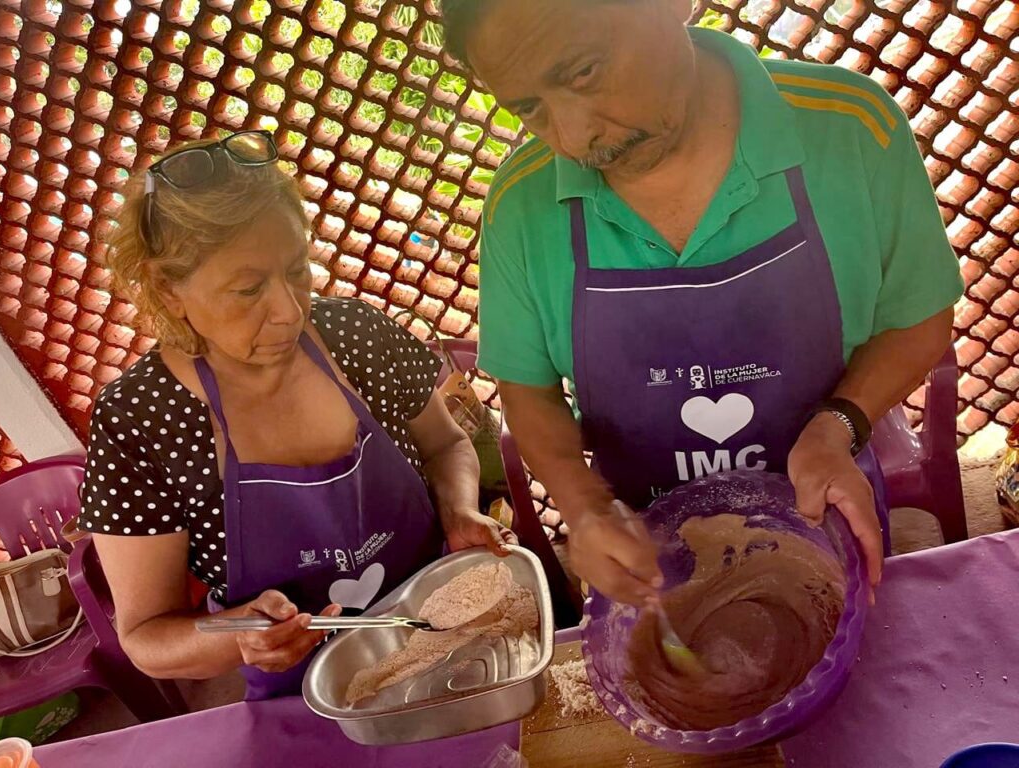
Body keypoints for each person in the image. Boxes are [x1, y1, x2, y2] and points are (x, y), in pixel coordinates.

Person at [442, 0, 963, 605]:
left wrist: (836, 427)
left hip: (825, 505)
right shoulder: (520, 206)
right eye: (529, 108)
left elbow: (920, 319)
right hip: (647, 553)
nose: (577, 137)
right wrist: (584, 508)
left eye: (583, 72)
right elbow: (527, 391)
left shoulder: (850, 130)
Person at [77, 130, 516, 699]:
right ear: (168, 289)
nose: (288, 309)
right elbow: (145, 637)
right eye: (248, 288)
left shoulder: (354, 335)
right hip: (308, 697)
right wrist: (237, 636)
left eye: (298, 270)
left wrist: (457, 511)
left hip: (454, 635)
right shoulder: (141, 420)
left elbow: (447, 444)